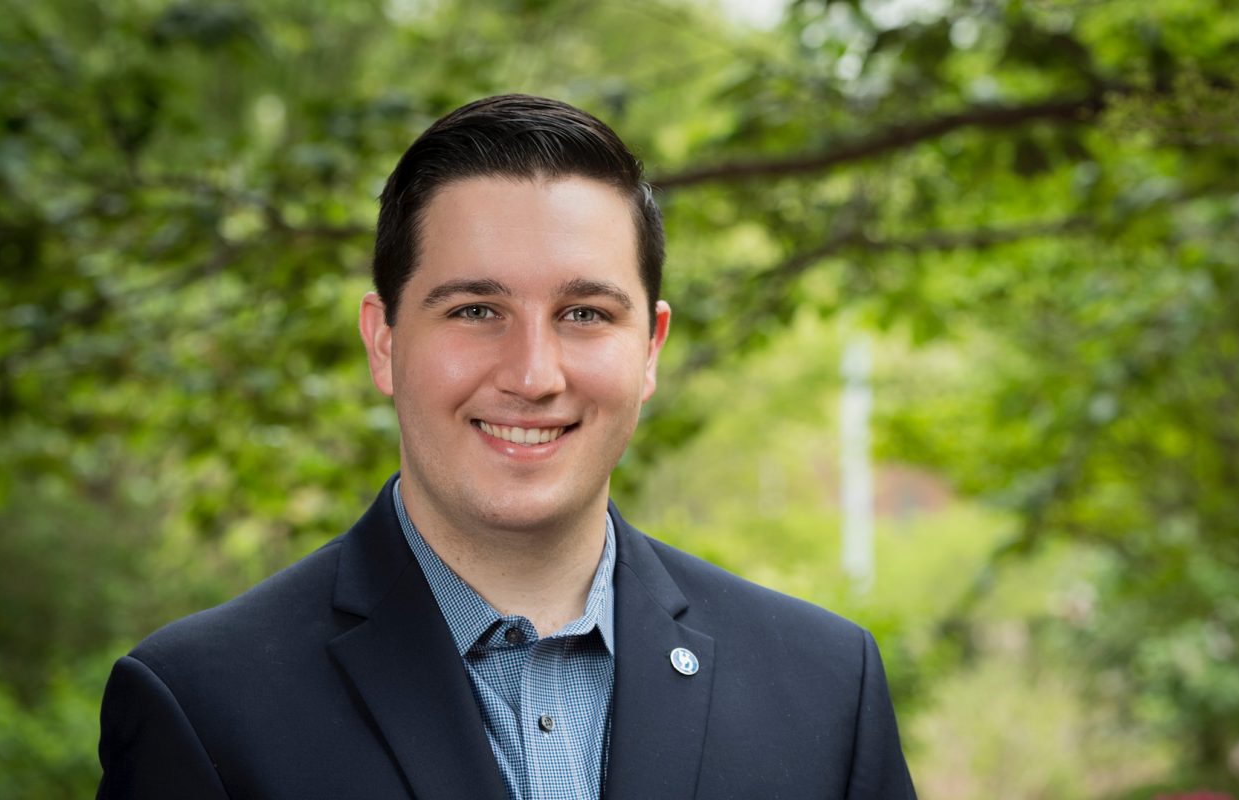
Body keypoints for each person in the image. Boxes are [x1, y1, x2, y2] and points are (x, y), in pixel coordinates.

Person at [96, 94, 916, 799]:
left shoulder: (824, 689)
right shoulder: (202, 706)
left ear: (652, 350)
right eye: (475, 310)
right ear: (384, 344)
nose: (533, 374)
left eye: (585, 313)